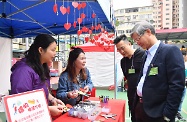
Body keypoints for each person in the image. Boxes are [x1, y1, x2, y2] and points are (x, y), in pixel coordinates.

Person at [131, 21, 185, 122]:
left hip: (158, 113)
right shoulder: (145, 55)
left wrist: (168, 115)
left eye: (138, 39)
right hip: (141, 108)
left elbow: (177, 85)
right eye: (135, 41)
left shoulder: (170, 51)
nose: (137, 43)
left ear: (148, 32)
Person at [10, 34, 65, 117]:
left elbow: (43, 89)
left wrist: (53, 99)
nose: (55, 54)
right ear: (41, 50)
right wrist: (48, 109)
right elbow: (20, 103)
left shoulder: (41, 67)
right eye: (53, 50)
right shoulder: (23, 71)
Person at [113, 34, 145, 122]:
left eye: (122, 48)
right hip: (131, 96)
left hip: (144, 97)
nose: (121, 51)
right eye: (118, 50)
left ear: (129, 44)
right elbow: (127, 77)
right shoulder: (123, 62)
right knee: (134, 117)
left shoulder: (143, 55)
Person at [175, 50, 187, 121]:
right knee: (175, 99)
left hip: (184, 85)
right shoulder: (177, 63)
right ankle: (174, 114)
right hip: (177, 85)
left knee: (181, 100)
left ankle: (178, 113)